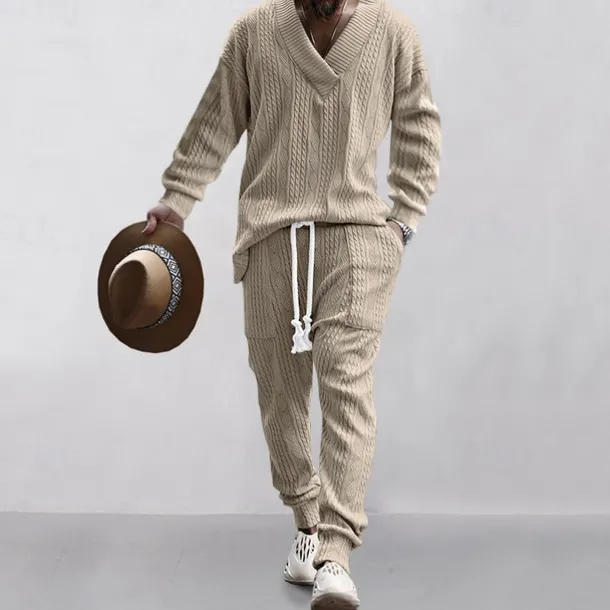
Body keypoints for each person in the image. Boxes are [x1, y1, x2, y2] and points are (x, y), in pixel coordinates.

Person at [143, 0, 441, 607]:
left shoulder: (392, 33)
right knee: (278, 389)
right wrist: (177, 199)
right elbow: (215, 123)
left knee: (346, 385)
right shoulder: (254, 34)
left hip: (357, 240)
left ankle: (336, 552)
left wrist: (402, 222)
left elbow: (418, 127)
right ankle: (307, 521)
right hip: (270, 239)